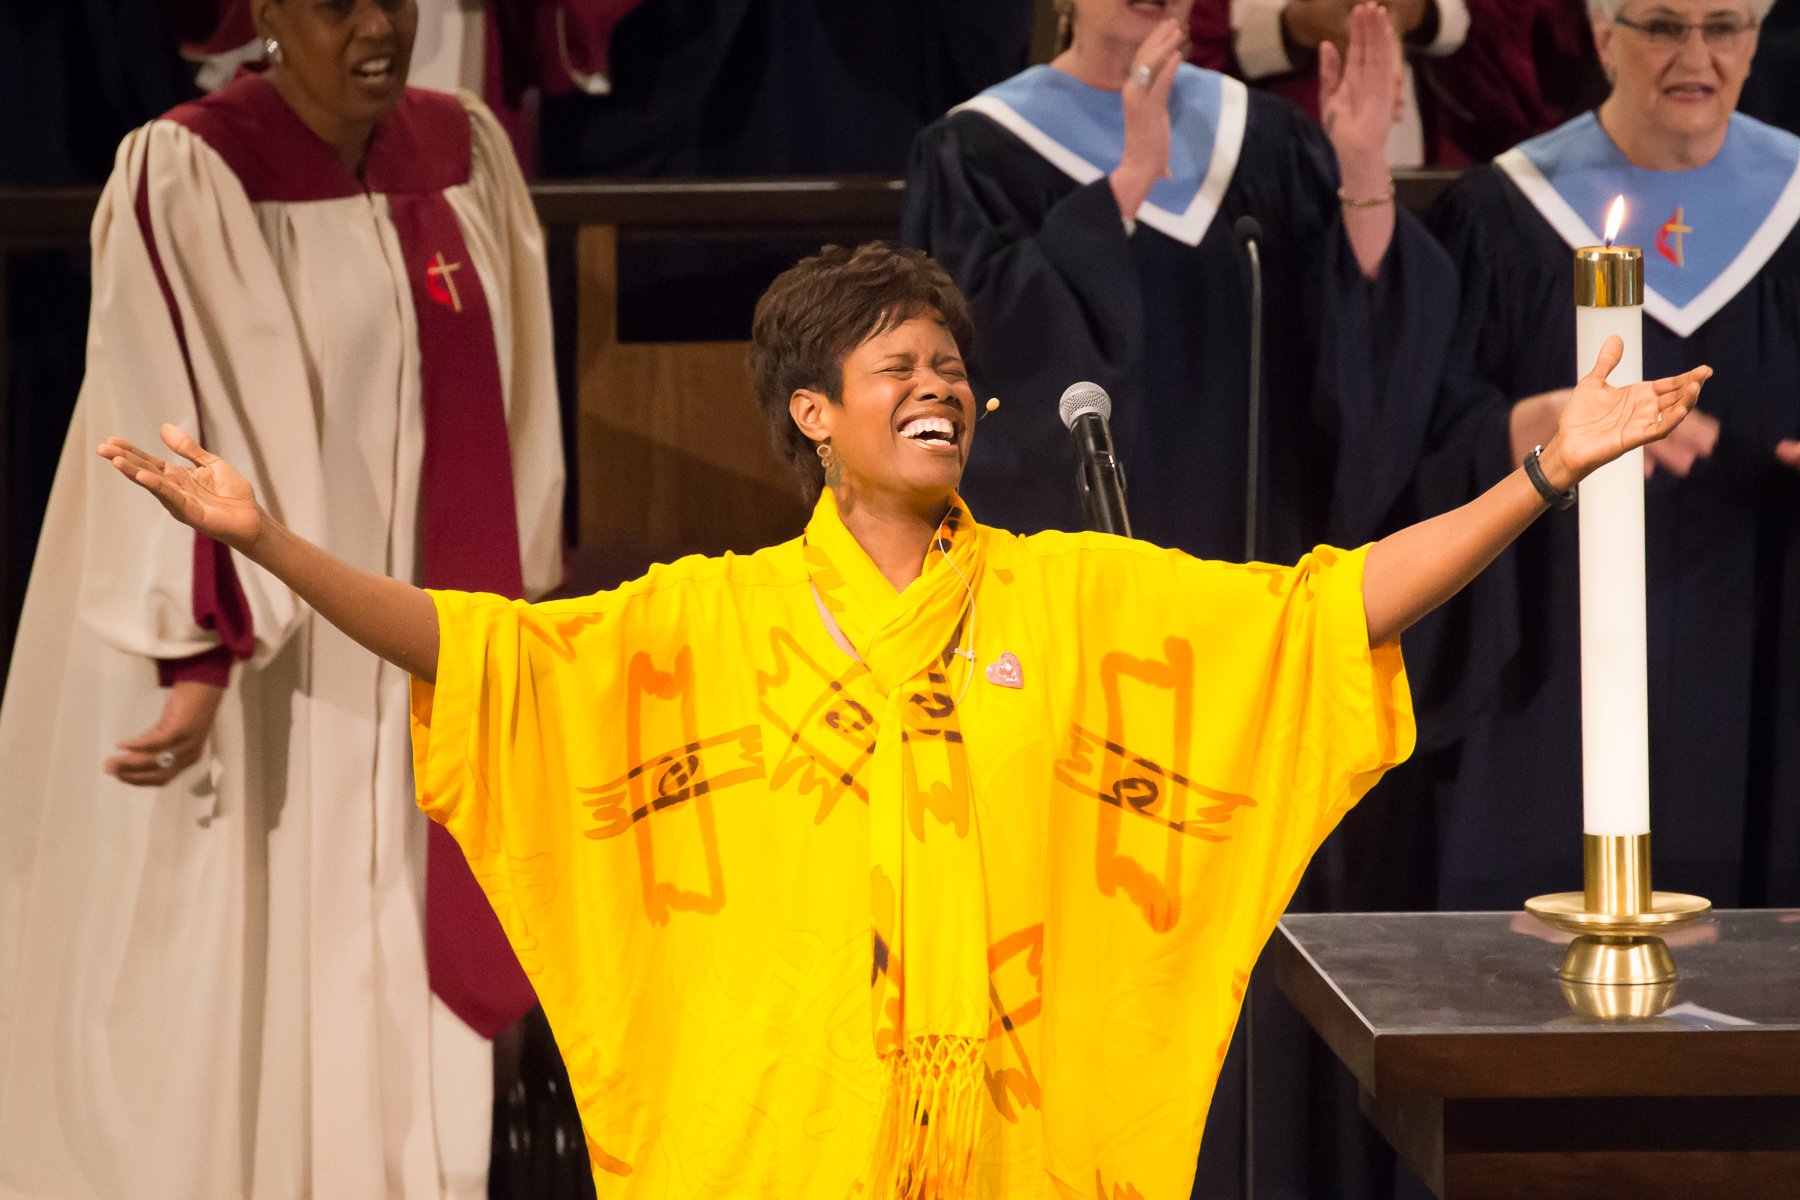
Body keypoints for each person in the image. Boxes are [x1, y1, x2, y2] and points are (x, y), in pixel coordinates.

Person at [96, 242, 1706, 1196]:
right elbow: (488, 655)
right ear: (816, 414)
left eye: (951, 364)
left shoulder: (1073, 595)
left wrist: (1541, 477)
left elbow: (1319, 612)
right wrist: (271, 547)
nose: (937, 386)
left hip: (1020, 1140)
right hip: (791, 1140)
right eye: (896, 366)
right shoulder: (707, 617)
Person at [0, 0, 564, 1195]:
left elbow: (521, 414)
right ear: (263, 13)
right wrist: (194, 653)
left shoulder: (467, 153)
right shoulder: (193, 168)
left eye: (392, 1)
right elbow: (155, 404)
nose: (376, 27)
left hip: (418, 633)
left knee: (405, 924)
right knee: (238, 950)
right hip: (262, 654)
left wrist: (524, 623)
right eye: (334, 4)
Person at [1410, 0, 1799, 911]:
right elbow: (1416, 445)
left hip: (1767, 633)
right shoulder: (1504, 213)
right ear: (1601, 35)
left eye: (1726, 26)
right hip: (1554, 651)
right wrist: (1525, 427)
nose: (1696, 55)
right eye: (1662, 26)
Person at [902, 1, 1457, 570]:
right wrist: (1129, 181)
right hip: (1086, 581)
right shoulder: (974, 150)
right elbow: (988, 355)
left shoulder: (1263, 135)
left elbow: (1363, 337)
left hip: (1255, 561)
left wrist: (1362, 161)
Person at [1187, 0, 1471, 166]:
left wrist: (1414, 12)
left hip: (1409, 146)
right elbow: (1198, 36)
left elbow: (1476, 24)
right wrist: (1292, 28)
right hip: (1261, 142)